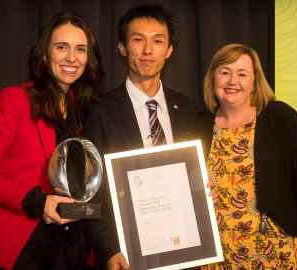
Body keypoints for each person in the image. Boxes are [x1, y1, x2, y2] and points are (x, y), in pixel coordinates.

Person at [0, 11, 120, 269]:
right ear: (45, 54)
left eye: (80, 49)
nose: (72, 57)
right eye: (62, 47)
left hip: (67, 248)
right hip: (19, 246)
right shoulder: (14, 100)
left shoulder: (82, 110)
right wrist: (36, 202)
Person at [196, 43, 297, 270]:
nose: (232, 82)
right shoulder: (197, 124)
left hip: (275, 248)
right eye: (225, 72)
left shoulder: (279, 117)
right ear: (213, 78)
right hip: (218, 253)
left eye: (242, 74)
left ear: (254, 81)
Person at [84, 4, 196, 270]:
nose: (148, 51)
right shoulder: (99, 112)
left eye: (158, 41)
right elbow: (89, 194)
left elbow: (196, 178)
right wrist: (108, 249)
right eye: (138, 40)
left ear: (169, 50)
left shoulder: (191, 110)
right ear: (122, 47)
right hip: (126, 254)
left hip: (185, 248)